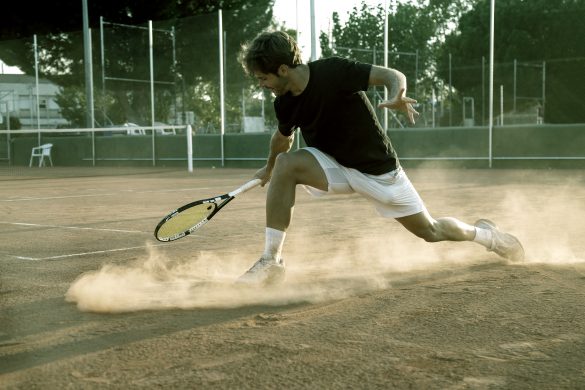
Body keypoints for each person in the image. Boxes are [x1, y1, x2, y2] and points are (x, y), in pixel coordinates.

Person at [236, 31, 524, 285]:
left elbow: (390, 75)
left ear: (283, 69)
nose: (262, 85)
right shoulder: (284, 102)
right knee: (288, 164)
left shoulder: (333, 71)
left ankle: (488, 235)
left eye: (263, 78)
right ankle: (270, 261)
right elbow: (282, 138)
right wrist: (270, 167)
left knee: (431, 230)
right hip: (333, 165)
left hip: (379, 172)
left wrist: (397, 94)